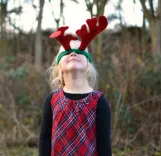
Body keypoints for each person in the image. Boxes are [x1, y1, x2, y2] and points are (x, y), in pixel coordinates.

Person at [39, 16, 112, 156]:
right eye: (67, 52)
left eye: (80, 51)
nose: (73, 53)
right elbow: (44, 138)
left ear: (88, 65)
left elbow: (104, 143)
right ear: (59, 66)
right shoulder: (52, 100)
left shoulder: (99, 101)